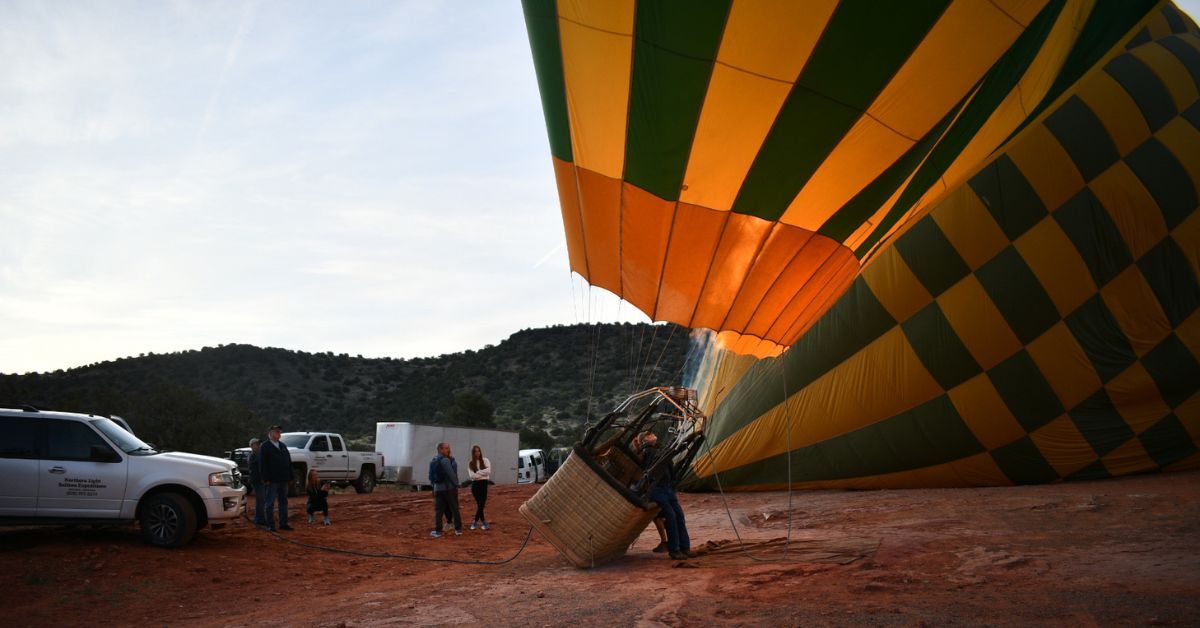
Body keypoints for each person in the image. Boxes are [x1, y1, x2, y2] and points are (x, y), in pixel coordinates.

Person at [639, 431, 696, 560]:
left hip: (668, 488)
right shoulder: (647, 452)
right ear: (645, 440)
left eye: (653, 434)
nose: (653, 436)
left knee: (679, 516)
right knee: (671, 516)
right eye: (649, 435)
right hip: (657, 489)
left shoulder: (659, 449)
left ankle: (684, 547)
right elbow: (655, 461)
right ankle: (674, 550)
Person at [631, 432, 668, 552]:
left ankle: (665, 541)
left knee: (658, 517)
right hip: (660, 487)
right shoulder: (653, 451)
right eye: (651, 436)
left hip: (653, 488)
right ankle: (667, 541)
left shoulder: (648, 452)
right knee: (662, 516)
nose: (654, 437)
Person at [259, 424, 294, 531]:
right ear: (270, 433)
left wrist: (291, 476)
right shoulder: (265, 446)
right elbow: (262, 464)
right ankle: (271, 525)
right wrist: (265, 478)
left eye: (279, 432)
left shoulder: (283, 445)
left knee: (283, 502)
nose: (278, 433)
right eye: (276, 431)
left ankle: (283, 524)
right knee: (270, 503)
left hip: (283, 479)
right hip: (272, 480)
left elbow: (288, 461)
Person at [429, 442, 462, 537]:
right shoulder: (445, 460)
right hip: (449, 489)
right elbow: (451, 475)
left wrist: (434, 487)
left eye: (448, 448)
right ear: (440, 449)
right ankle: (458, 530)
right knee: (455, 508)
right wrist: (456, 485)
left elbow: (431, 476)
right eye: (446, 448)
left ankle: (438, 531)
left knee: (439, 511)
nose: (448, 450)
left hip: (438, 489)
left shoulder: (433, 460)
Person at [467, 445, 491, 530]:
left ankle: (475, 522)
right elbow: (472, 476)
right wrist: (482, 473)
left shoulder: (485, 460)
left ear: (480, 451)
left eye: (478, 451)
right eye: (475, 451)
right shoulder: (471, 463)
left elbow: (488, 471)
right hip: (475, 486)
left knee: (481, 504)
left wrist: (478, 472)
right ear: (473, 453)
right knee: (479, 505)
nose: (477, 453)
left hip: (484, 485)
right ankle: (484, 522)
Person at [247, 438, 267, 527]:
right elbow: (257, 469)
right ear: (251, 446)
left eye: (259, 444)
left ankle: (260, 518)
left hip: (259, 480)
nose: (259, 445)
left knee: (261, 500)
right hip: (257, 481)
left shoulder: (258, 454)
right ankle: (259, 519)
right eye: (256, 444)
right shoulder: (253, 456)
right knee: (260, 500)